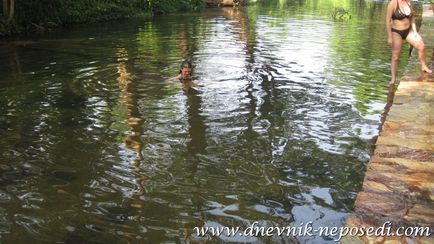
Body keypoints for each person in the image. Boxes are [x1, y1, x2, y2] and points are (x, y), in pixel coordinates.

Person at [386, 0, 432, 85]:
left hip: (408, 31)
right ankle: (393, 79)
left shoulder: (409, 3)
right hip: (396, 32)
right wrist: (389, 37)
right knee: (395, 56)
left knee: (421, 46)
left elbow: (412, 18)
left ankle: (423, 66)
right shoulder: (393, 3)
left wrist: (415, 31)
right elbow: (388, 21)